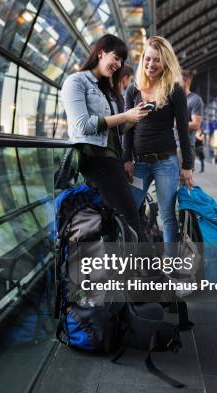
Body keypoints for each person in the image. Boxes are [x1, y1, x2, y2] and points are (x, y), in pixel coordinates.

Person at [61, 34, 149, 239]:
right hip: (96, 162)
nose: (118, 64)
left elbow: (114, 130)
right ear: (100, 53)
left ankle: (121, 268)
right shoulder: (76, 82)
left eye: (121, 60)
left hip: (112, 161)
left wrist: (134, 117)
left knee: (115, 220)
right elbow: (82, 125)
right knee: (131, 220)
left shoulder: (107, 89)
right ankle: (148, 267)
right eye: (115, 57)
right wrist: (125, 115)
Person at [123, 36, 194, 245]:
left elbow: (182, 129)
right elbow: (127, 128)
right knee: (128, 212)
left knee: (168, 218)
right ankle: (133, 260)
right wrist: (126, 159)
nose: (150, 64)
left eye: (156, 60)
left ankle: (171, 266)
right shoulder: (133, 89)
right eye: (147, 59)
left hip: (166, 162)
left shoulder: (174, 90)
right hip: (139, 165)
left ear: (165, 62)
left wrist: (187, 165)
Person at [181, 70, 204, 148]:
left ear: (186, 81)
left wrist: (174, 124)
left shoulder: (195, 100)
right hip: (167, 147)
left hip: (184, 146)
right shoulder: (172, 99)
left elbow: (195, 125)